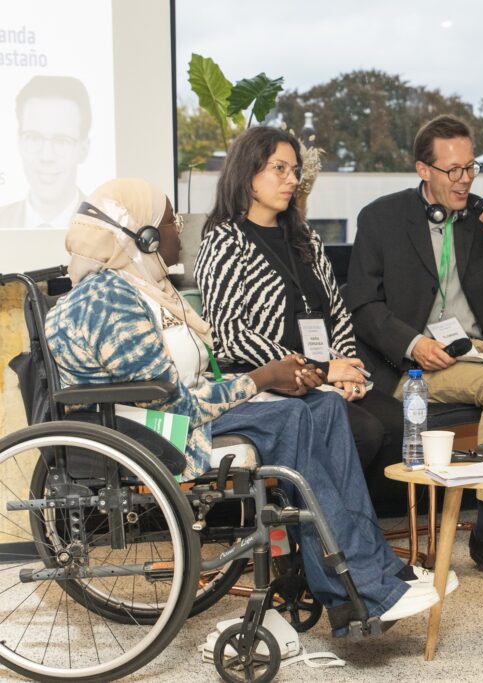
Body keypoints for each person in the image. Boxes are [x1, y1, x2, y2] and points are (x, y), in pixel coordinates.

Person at [45, 178, 452, 634]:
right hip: (157, 432)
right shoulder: (107, 300)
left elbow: (188, 381)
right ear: (144, 237)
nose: (181, 230)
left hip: (172, 416)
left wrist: (277, 377)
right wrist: (262, 378)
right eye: (170, 222)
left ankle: (378, 569)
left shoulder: (142, 287)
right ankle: (356, 591)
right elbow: (174, 402)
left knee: (324, 405)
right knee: (292, 415)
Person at [346, 114, 483, 585]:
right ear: (424, 170)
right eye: (454, 170)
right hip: (412, 363)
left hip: (474, 352)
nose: (464, 180)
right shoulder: (381, 218)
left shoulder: (481, 217)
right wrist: (414, 343)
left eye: (471, 168)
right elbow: (362, 304)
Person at [194, 126, 406, 512]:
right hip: (267, 382)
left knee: (396, 422)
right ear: (248, 172)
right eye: (280, 168)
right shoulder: (225, 239)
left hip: (323, 375)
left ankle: (354, 531)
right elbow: (229, 334)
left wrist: (348, 370)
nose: (292, 179)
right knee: (364, 432)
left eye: (294, 170)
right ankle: (303, 541)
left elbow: (338, 311)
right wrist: (323, 369)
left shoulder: (303, 235)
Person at [0, 75, 91, 229]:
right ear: (19, 141)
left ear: (83, 149)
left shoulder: (109, 229)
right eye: (34, 138)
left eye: (61, 141)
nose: (46, 156)